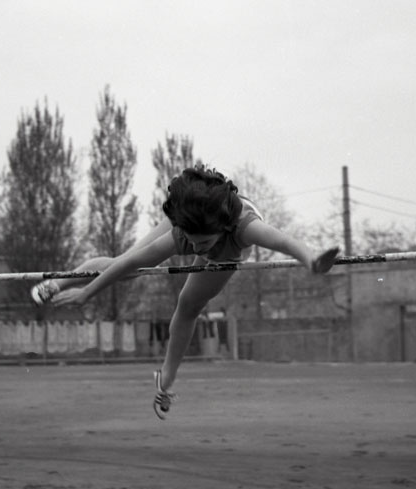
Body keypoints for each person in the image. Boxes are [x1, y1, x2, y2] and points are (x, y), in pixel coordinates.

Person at [30, 166, 339, 419]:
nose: (194, 250)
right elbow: (131, 263)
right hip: (195, 214)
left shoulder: (246, 230)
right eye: (191, 242)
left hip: (226, 248)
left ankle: (165, 379)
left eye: (201, 244)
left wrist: (311, 261)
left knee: (189, 306)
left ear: (221, 231)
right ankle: (59, 282)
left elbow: (285, 242)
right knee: (126, 266)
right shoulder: (183, 234)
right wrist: (87, 292)